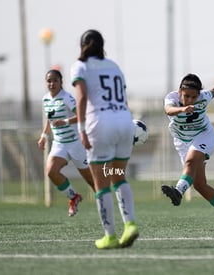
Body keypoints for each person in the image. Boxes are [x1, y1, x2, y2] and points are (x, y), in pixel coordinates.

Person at [71, 29, 139, 249]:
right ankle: (130, 224)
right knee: (118, 175)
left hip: (100, 125)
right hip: (124, 122)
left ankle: (109, 236)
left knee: (101, 184)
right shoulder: (114, 66)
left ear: (83, 46)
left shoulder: (80, 66)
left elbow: (81, 98)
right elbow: (124, 99)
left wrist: (81, 130)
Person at [161, 73, 214, 229]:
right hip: (182, 141)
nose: (190, 100)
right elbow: (168, 110)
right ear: (179, 92)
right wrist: (183, 109)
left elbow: (213, 91)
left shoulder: (204, 97)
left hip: (204, 136)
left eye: (194, 97)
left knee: (190, 161)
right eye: (186, 96)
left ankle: (178, 192)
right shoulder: (171, 98)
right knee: (199, 184)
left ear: (199, 95)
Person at [38, 69, 95, 217]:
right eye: (49, 81)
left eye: (55, 80)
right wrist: (44, 136)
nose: (52, 83)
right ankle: (73, 197)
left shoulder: (67, 98)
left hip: (76, 143)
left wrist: (65, 121)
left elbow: (82, 115)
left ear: (61, 82)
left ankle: (105, 203)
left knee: (91, 180)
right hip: (59, 144)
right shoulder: (45, 99)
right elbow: (50, 120)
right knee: (51, 171)